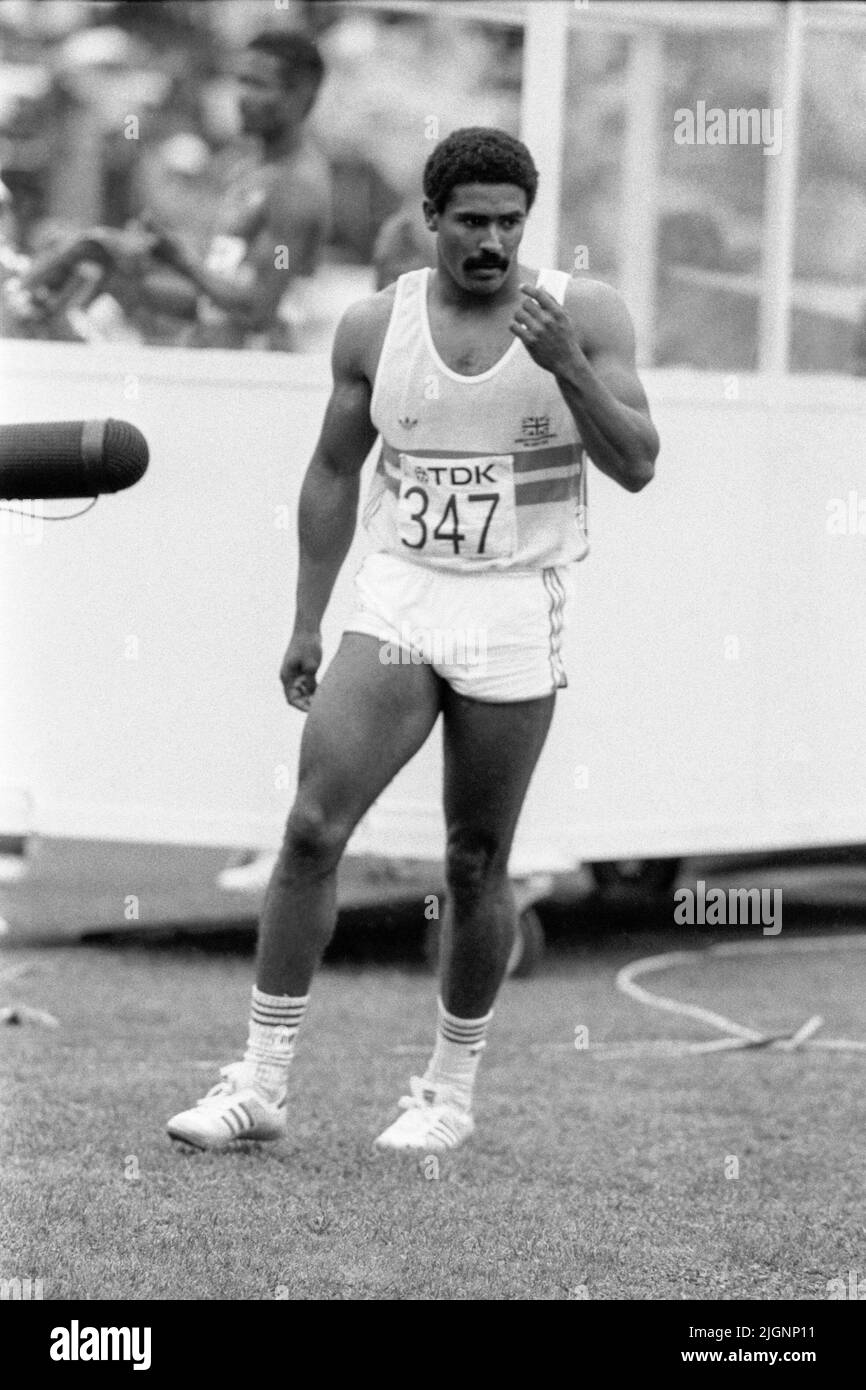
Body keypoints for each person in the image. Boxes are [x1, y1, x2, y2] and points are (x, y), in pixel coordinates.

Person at [167, 127, 659, 1154]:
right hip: (399, 597)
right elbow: (332, 470)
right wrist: (307, 615)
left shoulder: (583, 315)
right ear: (429, 220)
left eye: (508, 224)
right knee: (309, 826)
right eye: (469, 222)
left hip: (514, 602)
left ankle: (445, 1091)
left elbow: (637, 463)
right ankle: (258, 1082)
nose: (489, 242)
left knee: (476, 859)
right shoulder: (373, 326)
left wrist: (565, 365)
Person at [142, 28, 332, 349]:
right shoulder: (243, 164)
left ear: (301, 95)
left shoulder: (297, 186)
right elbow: (214, 295)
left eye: (258, 85)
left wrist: (180, 261)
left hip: (256, 380)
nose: (242, 97)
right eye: (241, 81)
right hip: (216, 361)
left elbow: (259, 309)